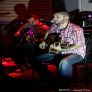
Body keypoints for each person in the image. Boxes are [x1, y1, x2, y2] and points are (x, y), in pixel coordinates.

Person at [33, 12, 86, 89]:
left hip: (75, 53)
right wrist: (45, 41)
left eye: (57, 17)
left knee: (64, 62)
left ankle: (63, 88)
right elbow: (48, 31)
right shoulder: (55, 26)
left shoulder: (76, 29)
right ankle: (50, 79)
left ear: (66, 18)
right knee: (34, 59)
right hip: (58, 52)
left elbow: (79, 45)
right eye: (54, 17)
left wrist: (62, 48)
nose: (54, 19)